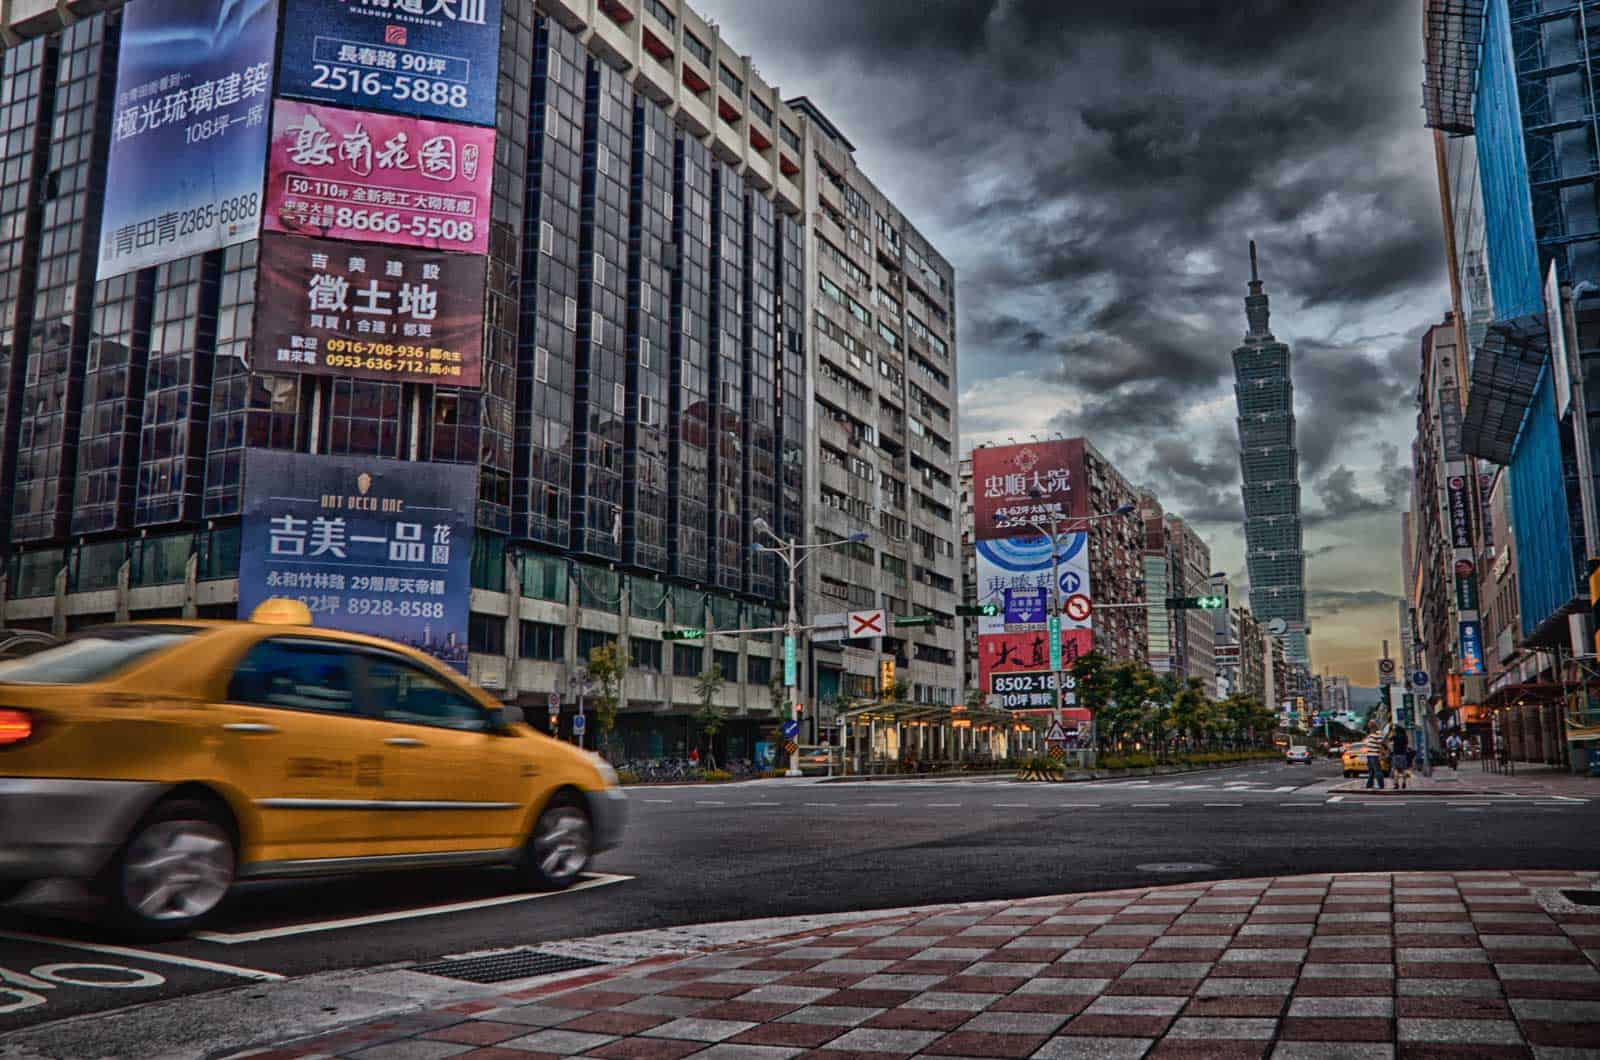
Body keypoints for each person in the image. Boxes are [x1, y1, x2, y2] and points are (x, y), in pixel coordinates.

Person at [1390, 725, 1411, 790]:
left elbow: (1389, 740)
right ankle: (1404, 782)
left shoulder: (1395, 736)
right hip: (1403, 755)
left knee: (1395, 769)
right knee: (1404, 769)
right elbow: (1407, 745)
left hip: (1396, 754)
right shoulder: (1405, 737)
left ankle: (1396, 783)